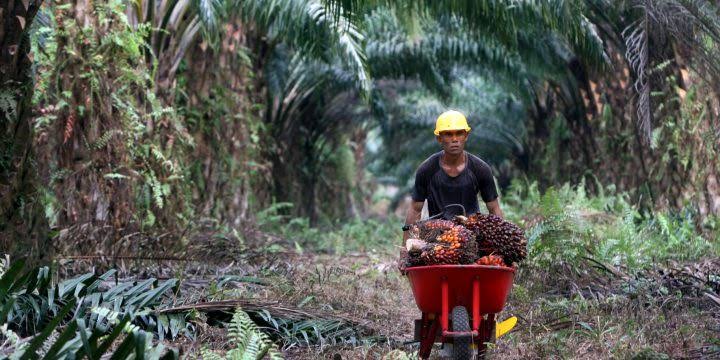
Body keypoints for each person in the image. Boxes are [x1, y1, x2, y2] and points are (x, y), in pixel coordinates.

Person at [402, 110, 504, 248]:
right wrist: (404, 251)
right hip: (436, 239)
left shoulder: (480, 169)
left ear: (466, 135)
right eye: (448, 134)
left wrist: (502, 248)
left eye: (459, 133)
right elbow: (415, 210)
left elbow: (494, 209)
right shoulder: (427, 169)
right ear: (439, 138)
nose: (454, 139)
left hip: (472, 237)